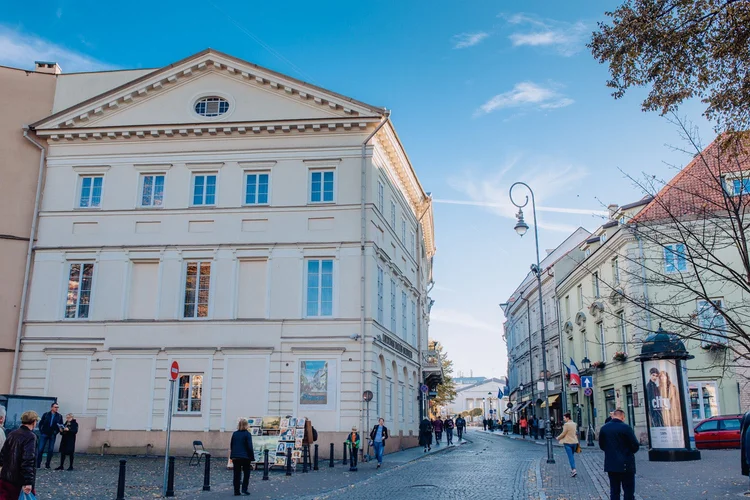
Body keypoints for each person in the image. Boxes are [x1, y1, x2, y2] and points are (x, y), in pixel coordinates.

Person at [599, 409, 640, 500]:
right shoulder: (626, 428)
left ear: (613, 416)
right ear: (622, 417)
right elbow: (635, 445)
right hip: (626, 464)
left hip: (611, 464)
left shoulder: (604, 428)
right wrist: (629, 451)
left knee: (614, 491)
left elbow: (602, 445)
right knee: (628, 491)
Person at [0, 410, 39, 499]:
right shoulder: (30, 436)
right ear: (33, 422)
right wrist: (28, 481)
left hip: (6, 477)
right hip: (19, 479)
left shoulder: (12, 433)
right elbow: (28, 459)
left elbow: (3, 454)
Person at [230, 418, 254, 496]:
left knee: (236, 474)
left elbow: (232, 445)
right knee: (246, 473)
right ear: (246, 425)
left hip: (236, 456)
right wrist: (252, 457)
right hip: (245, 457)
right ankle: (244, 489)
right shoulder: (247, 434)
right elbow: (249, 446)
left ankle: (236, 491)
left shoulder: (235, 434)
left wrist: (233, 454)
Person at [37, 401, 63, 469]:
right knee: (40, 449)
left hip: (52, 434)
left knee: (50, 450)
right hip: (44, 433)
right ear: (52, 408)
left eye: (57, 407)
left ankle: (47, 464)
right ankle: (38, 464)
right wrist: (41, 431)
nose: (56, 408)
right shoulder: (46, 414)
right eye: (55, 407)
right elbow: (41, 423)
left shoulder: (59, 416)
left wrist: (55, 432)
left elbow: (60, 425)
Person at [556, 412, 579, 478]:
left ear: (567, 418)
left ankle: (574, 470)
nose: (564, 419)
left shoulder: (566, 425)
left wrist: (558, 438)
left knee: (570, 457)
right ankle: (573, 469)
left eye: (564, 418)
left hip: (568, 443)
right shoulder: (575, 424)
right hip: (574, 442)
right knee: (572, 456)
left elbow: (563, 433)